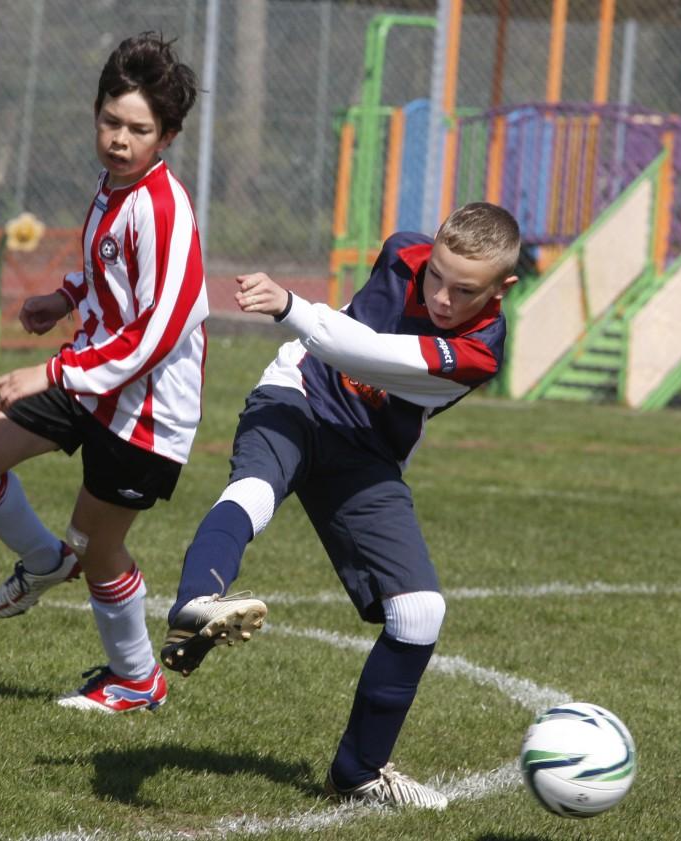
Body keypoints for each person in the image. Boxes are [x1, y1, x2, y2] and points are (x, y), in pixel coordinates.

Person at [160, 203, 521, 809]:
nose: (441, 298)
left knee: (420, 613)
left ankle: (358, 771)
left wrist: (292, 307)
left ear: (502, 288)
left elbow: (372, 354)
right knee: (254, 491)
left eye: (465, 290)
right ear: (427, 252)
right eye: (436, 275)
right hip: (298, 397)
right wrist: (301, 319)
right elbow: (338, 348)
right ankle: (196, 602)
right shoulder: (403, 249)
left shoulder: (481, 349)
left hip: (367, 456)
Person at [0, 32, 204, 713]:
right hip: (89, 377)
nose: (119, 138)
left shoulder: (164, 209)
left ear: (166, 136)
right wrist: (65, 295)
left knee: (99, 544)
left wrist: (51, 370)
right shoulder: (114, 187)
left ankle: (137, 680)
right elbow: (104, 265)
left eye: (138, 129)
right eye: (110, 121)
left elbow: (157, 331)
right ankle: (44, 559)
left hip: (142, 406)